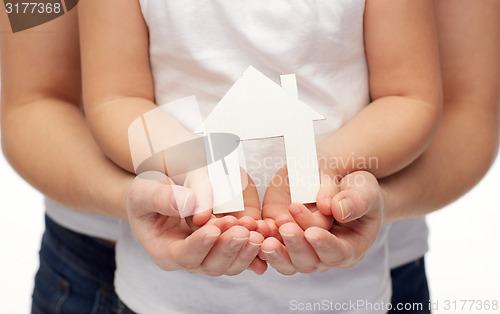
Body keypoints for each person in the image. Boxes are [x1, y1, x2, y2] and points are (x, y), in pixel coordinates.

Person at [1, 1, 498, 313]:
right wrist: (183, 173)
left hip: (356, 276)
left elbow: (458, 107)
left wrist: (332, 174)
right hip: (128, 282)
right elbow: (34, 100)